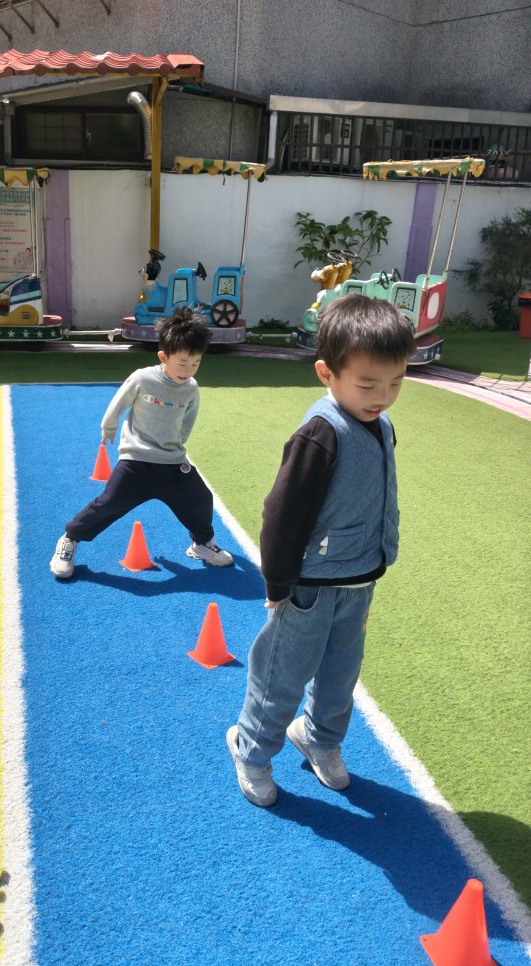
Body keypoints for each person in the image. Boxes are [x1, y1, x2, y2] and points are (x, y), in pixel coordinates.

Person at [227, 294, 415, 807]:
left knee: (339, 675)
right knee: (281, 676)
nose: (383, 396)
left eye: (396, 382)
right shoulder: (320, 434)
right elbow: (281, 515)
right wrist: (278, 584)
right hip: (310, 587)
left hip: (359, 580)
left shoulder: (382, 424)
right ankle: (251, 749)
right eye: (368, 384)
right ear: (326, 373)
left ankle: (319, 738)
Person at [50, 306, 234, 579]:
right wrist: (109, 426)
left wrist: (177, 443)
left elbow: (188, 419)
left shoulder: (191, 387)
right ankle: (70, 539)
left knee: (201, 498)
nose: (188, 370)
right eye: (182, 363)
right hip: (136, 461)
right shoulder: (143, 378)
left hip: (172, 463)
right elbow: (119, 402)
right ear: (163, 356)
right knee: (108, 503)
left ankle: (202, 544)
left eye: (195, 363)